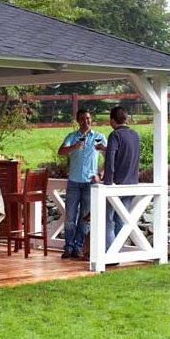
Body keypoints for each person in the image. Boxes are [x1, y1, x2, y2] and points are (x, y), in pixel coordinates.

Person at [57, 108, 106, 259]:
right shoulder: (72, 137)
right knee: (70, 217)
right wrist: (74, 147)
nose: (86, 121)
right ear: (78, 121)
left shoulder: (98, 137)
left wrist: (101, 173)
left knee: (85, 218)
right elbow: (61, 151)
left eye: (88, 118)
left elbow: (108, 156)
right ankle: (68, 247)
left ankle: (78, 247)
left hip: (89, 183)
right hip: (74, 182)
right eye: (83, 119)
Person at [102, 106, 140, 251]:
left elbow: (110, 160)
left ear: (112, 120)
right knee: (121, 220)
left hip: (116, 186)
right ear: (125, 118)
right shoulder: (135, 135)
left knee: (107, 220)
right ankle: (119, 250)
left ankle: (110, 252)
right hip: (132, 183)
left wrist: (107, 181)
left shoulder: (115, 135)